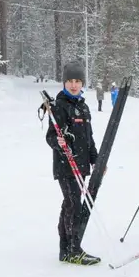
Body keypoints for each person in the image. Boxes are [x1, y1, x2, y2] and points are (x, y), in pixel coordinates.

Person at [45, 60, 101, 265]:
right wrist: (59, 143)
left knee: (69, 205)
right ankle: (73, 249)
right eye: (70, 81)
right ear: (64, 83)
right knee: (74, 206)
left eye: (78, 81)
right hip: (66, 165)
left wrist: (96, 160)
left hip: (82, 165)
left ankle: (65, 249)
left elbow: (89, 137)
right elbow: (51, 137)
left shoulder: (83, 107)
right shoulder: (59, 106)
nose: (74, 85)